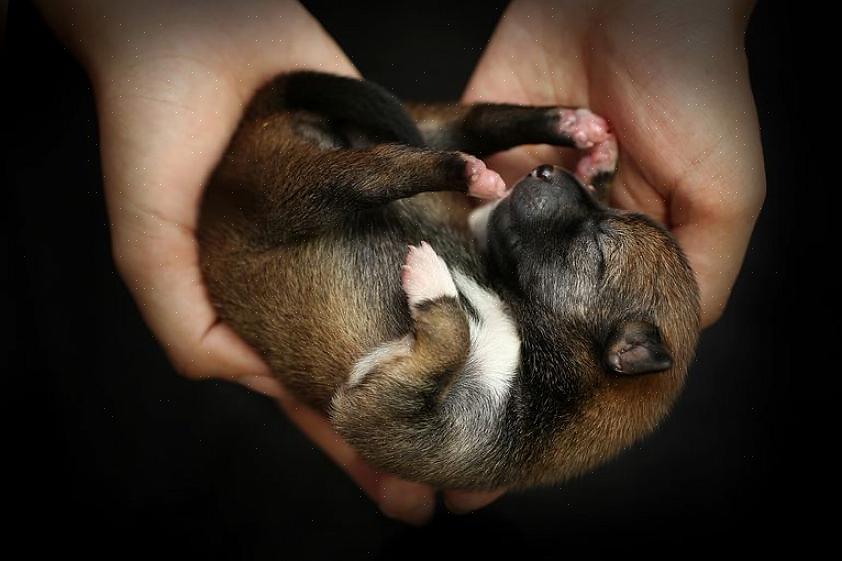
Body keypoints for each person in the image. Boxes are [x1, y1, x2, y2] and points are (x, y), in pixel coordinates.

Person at [35, 0, 765, 526]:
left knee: (410, 162)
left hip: (273, 227)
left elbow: (369, 416)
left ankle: (417, 158)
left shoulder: (499, 431)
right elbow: (490, 227)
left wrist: (444, 333)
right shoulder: (547, 340)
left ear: (624, 351)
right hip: (356, 150)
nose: (556, 187)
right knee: (438, 148)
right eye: (606, 214)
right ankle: (467, 143)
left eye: (595, 237)